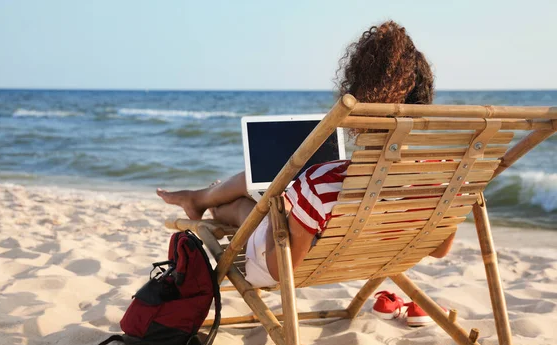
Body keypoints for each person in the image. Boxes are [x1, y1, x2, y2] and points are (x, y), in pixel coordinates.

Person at [157, 21, 455, 288]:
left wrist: (283, 218)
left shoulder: (323, 181)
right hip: (373, 257)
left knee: (249, 206)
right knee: (268, 192)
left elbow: (281, 269)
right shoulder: (441, 177)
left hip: (285, 265)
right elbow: (440, 250)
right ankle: (202, 199)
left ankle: (205, 201)